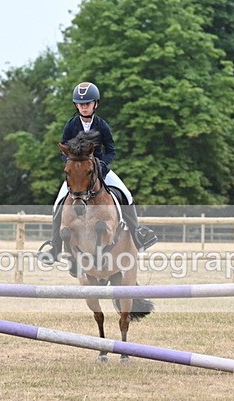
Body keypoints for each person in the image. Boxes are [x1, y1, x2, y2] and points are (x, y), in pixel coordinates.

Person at [38, 82, 157, 266]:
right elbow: (64, 150)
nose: (84, 106)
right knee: (58, 204)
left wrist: (102, 165)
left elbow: (111, 149)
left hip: (100, 170)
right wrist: (72, 166)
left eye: (88, 103)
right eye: (80, 103)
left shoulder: (102, 125)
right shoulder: (70, 125)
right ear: (76, 105)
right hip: (78, 175)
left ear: (96, 104)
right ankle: (55, 247)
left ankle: (138, 234)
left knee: (126, 194)